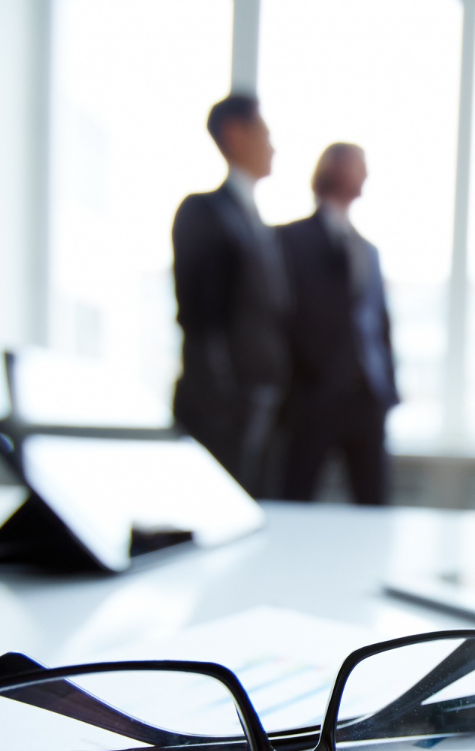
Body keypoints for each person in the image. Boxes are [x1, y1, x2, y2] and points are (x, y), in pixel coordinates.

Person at [170, 94, 290, 496]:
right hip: (222, 404)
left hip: (262, 400)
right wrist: (223, 395)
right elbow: (198, 314)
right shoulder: (203, 212)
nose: (272, 147)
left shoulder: (256, 221)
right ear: (235, 133)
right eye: (264, 134)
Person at [275, 143, 399, 505]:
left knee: (374, 501)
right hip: (313, 395)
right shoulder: (289, 239)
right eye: (359, 166)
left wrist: (388, 386)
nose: (366, 176)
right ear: (335, 170)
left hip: (366, 396)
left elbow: (380, 323)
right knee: (297, 496)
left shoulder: (368, 250)